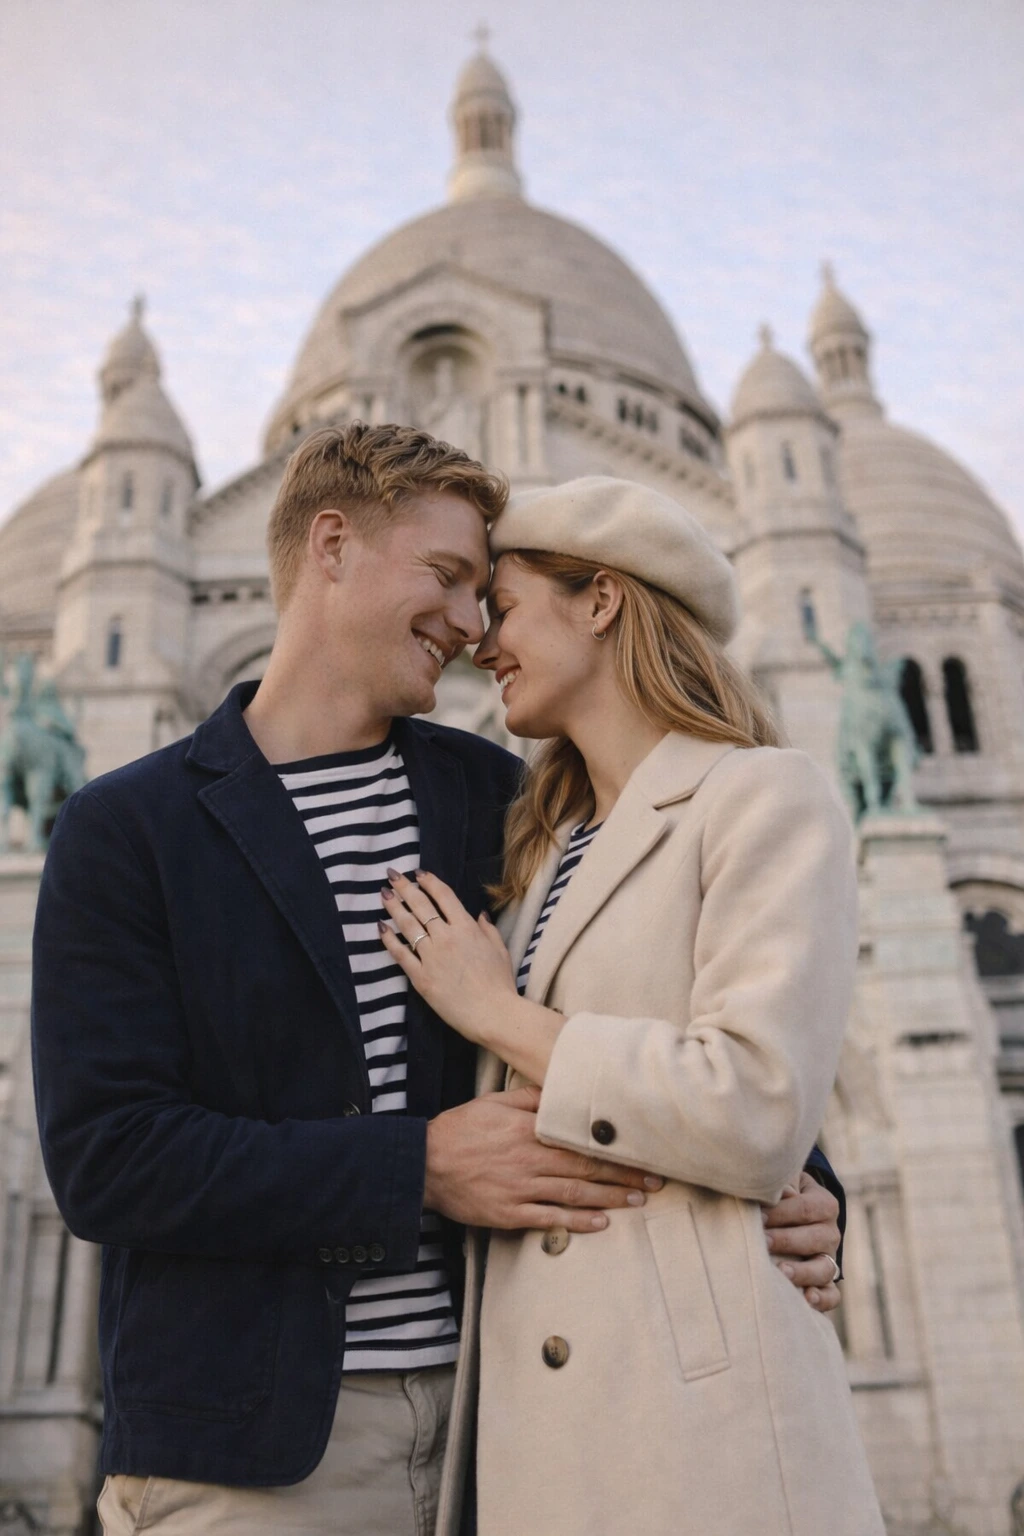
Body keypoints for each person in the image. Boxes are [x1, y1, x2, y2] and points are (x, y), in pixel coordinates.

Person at [32, 429, 846, 1536]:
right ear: (331, 545)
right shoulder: (127, 826)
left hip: (515, 1436)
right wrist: (413, 1168)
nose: (472, 626)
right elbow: (107, 1160)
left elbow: (658, 993)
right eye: (449, 578)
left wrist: (805, 1182)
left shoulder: (504, 799)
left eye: (488, 594)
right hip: (251, 1457)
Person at [378, 476, 884, 1536]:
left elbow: (754, 1101)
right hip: (537, 1443)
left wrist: (496, 1012)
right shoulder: (543, 853)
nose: (479, 641)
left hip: (697, 1434)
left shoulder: (763, 794)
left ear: (601, 599)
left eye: (505, 607)